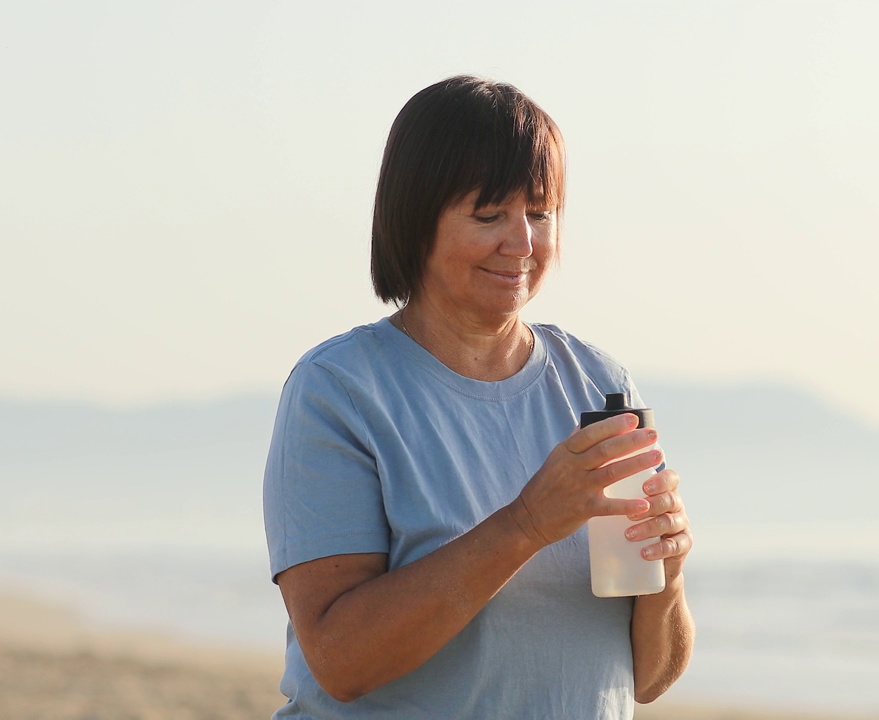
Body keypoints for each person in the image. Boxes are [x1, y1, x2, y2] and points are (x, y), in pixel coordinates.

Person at [262, 75, 694, 719]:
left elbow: (647, 679)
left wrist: (668, 573)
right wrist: (525, 525)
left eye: (540, 214)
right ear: (417, 219)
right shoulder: (340, 390)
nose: (521, 244)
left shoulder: (600, 386)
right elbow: (342, 662)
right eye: (489, 215)